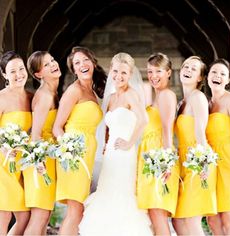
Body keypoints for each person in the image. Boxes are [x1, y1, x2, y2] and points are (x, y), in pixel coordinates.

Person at [79, 52, 153, 236]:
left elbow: (144, 120)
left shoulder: (131, 95)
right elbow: (108, 126)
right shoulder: (111, 98)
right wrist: (105, 144)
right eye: (116, 71)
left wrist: (129, 143)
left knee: (121, 193)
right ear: (111, 70)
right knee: (107, 191)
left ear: (130, 74)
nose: (119, 76)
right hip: (111, 153)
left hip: (125, 154)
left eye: (124, 73)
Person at [52, 46, 106, 235]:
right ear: (74, 70)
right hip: (74, 156)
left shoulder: (92, 91)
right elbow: (57, 127)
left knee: (79, 209)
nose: (82, 65)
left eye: (85, 60)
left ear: (92, 62)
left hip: (88, 153)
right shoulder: (73, 91)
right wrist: (69, 150)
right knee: (75, 209)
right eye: (77, 63)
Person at [172, 56, 217, 235]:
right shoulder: (181, 102)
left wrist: (204, 163)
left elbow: (200, 133)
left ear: (200, 77)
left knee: (192, 220)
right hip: (184, 163)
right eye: (186, 66)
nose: (188, 70)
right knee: (178, 221)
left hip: (198, 163)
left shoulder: (198, 98)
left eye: (193, 69)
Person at [136, 53, 179, 235]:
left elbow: (167, 130)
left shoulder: (167, 95)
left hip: (159, 159)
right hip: (149, 157)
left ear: (168, 72)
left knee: (158, 214)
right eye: (150, 71)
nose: (153, 75)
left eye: (158, 71)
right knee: (153, 216)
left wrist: (166, 162)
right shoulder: (156, 96)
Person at [22, 51, 60, 235]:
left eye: (52, 60)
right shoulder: (45, 96)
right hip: (40, 161)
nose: (53, 64)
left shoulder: (52, 92)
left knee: (44, 217)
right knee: (39, 217)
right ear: (38, 74)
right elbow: (35, 134)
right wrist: (40, 164)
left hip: (47, 158)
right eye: (46, 65)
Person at [0, 51, 32, 235]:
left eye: (21, 69)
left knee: (25, 217)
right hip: (3, 161)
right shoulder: (1, 97)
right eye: (12, 71)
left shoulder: (30, 96)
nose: (19, 74)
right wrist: (4, 147)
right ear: (4, 74)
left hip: (21, 162)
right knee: (4, 214)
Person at [206, 58, 230, 235]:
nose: (217, 76)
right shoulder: (207, 104)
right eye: (214, 72)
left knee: (229, 219)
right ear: (207, 76)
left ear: (228, 80)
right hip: (211, 166)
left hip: (229, 165)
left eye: (222, 74)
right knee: (213, 220)